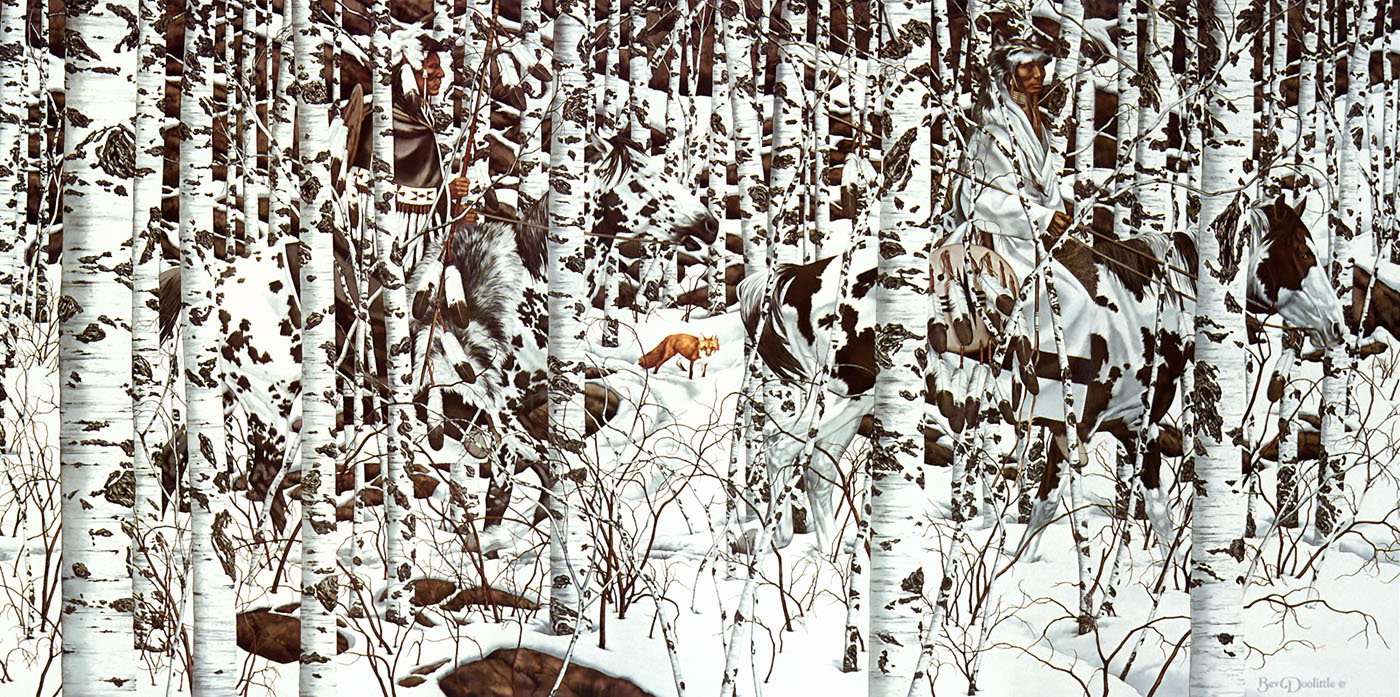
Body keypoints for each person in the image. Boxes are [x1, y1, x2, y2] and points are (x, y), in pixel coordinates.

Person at [952, 39, 1073, 277]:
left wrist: (1057, 221)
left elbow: (1045, 186)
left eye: (1040, 65)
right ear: (1008, 76)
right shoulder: (991, 133)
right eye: (1028, 67)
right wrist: (1045, 219)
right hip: (999, 247)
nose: (1039, 74)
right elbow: (978, 199)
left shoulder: (1035, 128)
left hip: (1037, 242)